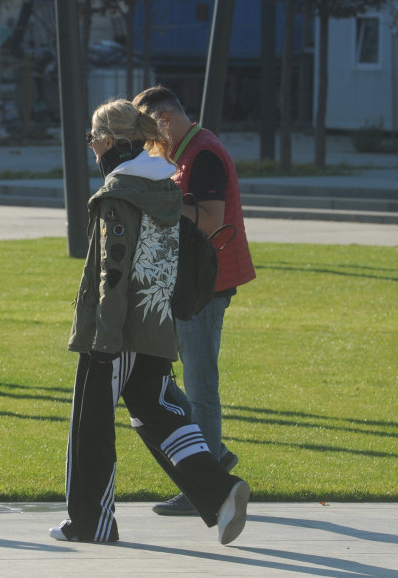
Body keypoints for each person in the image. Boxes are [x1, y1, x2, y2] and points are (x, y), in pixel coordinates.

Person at [50, 98, 249, 545]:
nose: (91, 148)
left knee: (91, 426)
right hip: (157, 324)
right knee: (159, 414)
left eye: (92, 140)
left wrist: (103, 338)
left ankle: (91, 523)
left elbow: (113, 272)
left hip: (116, 330)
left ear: (106, 141)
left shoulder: (116, 194)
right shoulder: (166, 188)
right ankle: (221, 493)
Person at [132, 86, 256, 517]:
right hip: (197, 281)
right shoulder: (188, 149)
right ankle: (214, 455)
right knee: (175, 377)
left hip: (207, 283)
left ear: (166, 119)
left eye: (150, 131)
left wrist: (164, 203)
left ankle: (208, 482)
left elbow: (211, 219)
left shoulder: (202, 154)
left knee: (202, 387)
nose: (150, 142)